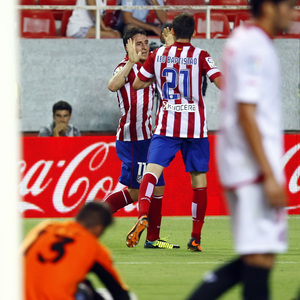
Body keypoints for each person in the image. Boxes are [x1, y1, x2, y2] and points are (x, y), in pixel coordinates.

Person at [187, 0, 296, 298]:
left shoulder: (242, 39)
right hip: (251, 166)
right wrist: (269, 173)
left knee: (259, 257)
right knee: (260, 257)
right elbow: (247, 111)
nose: (293, 12)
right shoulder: (255, 47)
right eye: (289, 5)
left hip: (241, 162)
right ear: (269, 7)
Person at [126, 13, 222, 251]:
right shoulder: (201, 55)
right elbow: (220, 81)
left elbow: (138, 83)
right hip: (195, 127)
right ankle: (196, 237)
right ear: (194, 32)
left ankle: (143, 215)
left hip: (167, 124)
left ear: (173, 32)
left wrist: (159, 76)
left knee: (151, 172)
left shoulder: (158, 55)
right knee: (199, 183)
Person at [105, 27, 178, 249]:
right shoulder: (123, 68)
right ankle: (91, 220)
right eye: (139, 43)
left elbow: (172, 66)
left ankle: (153, 239)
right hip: (132, 140)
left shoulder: (151, 67)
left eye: (146, 42)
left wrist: (170, 45)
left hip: (150, 138)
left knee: (157, 188)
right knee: (136, 191)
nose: (144, 47)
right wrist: (130, 60)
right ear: (128, 46)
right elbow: (112, 86)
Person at [22, 201, 131, 300]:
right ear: (99, 228)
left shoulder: (44, 228)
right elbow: (118, 292)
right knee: (84, 291)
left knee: (85, 283)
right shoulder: (93, 247)